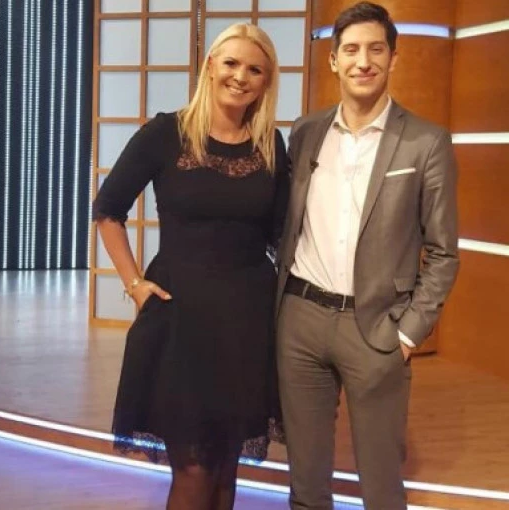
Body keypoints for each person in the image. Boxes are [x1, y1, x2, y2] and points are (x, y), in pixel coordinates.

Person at [92, 23, 289, 510]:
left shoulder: (270, 143)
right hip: (181, 319)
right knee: (195, 469)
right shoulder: (166, 133)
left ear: (266, 82)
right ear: (210, 66)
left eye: (255, 69)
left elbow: (282, 231)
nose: (240, 76)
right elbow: (108, 209)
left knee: (225, 468)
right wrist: (134, 283)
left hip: (246, 321)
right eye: (231, 63)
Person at [275, 2, 460, 509]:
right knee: (306, 485)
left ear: (392, 58)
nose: (363, 61)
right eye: (351, 50)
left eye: (375, 49)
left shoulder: (426, 141)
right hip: (301, 320)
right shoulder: (306, 132)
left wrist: (408, 334)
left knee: (381, 487)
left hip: (378, 328)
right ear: (333, 60)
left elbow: (444, 251)